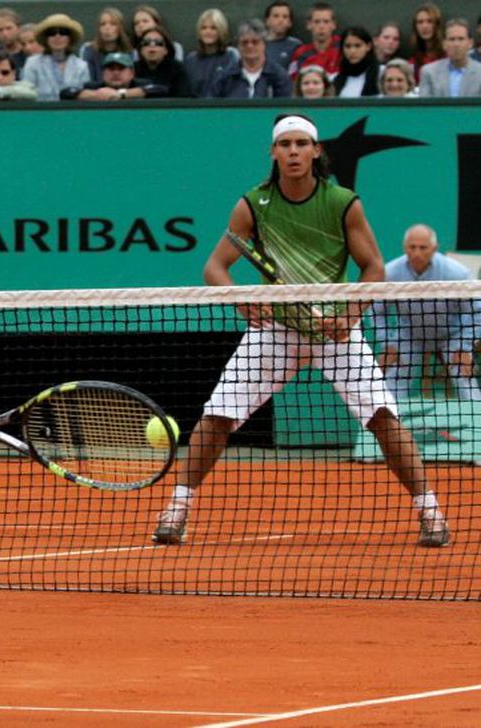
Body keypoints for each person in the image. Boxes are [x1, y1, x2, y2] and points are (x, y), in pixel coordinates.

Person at [150, 113, 451, 550]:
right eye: (285, 144)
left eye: (301, 144)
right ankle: (177, 509)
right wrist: (239, 298)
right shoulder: (252, 204)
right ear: (274, 153)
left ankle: (431, 513)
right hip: (276, 330)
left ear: (316, 151)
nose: (293, 151)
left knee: (385, 419)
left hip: (336, 336)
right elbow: (216, 266)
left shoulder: (343, 202)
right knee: (215, 418)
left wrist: (349, 315)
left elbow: (374, 268)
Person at [372, 224, 481, 402]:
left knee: (464, 373)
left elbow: (476, 310)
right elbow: (377, 312)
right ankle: (387, 425)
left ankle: (478, 426)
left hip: (453, 334)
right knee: (392, 376)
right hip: (409, 335)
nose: (417, 253)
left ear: (434, 248)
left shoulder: (457, 273)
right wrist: (387, 343)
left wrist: (465, 345)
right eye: (412, 247)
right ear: (404, 247)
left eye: (423, 247)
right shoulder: (390, 273)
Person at [206, 19, 291, 99]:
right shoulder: (225, 78)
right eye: (244, 42)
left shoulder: (279, 76)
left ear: (264, 44)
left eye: (255, 42)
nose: (249, 46)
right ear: (238, 46)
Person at [21, 13, 90, 101]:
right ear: (46, 38)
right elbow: (26, 95)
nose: (58, 36)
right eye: (52, 33)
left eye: (63, 32)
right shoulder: (32, 64)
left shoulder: (81, 66)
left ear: (70, 38)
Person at [419, 18, 481, 97]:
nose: (456, 44)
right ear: (444, 44)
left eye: (461, 39)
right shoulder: (429, 72)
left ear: (470, 43)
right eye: (452, 39)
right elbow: (425, 106)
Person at [184, 8, 239, 98]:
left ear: (221, 30)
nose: (208, 32)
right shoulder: (191, 60)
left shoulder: (231, 56)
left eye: (213, 28)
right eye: (204, 28)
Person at [79, 8, 136, 83]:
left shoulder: (130, 52)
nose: (107, 28)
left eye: (113, 24)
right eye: (103, 24)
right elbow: (88, 81)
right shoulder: (89, 50)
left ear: (120, 28)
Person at [60, 51, 146, 100]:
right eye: (111, 69)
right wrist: (97, 94)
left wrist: (120, 94)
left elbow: (156, 90)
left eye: (121, 68)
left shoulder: (142, 85)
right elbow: (66, 93)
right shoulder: (92, 87)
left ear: (132, 73)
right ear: (103, 73)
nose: (116, 73)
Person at [134, 25, 192, 97]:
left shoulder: (177, 69)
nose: (152, 45)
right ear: (141, 50)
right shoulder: (132, 69)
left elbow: (184, 96)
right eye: (146, 42)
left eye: (158, 42)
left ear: (166, 50)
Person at [289, 3, 341, 78]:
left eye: (326, 21)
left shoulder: (343, 47)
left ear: (334, 25)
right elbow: (293, 81)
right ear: (308, 25)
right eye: (316, 22)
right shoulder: (300, 54)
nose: (321, 26)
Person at [334, 26, 380, 97]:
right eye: (348, 46)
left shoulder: (382, 73)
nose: (352, 51)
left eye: (357, 46)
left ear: (368, 46)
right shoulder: (336, 79)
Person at [410, 2, 445, 81]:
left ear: (437, 24)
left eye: (429, 21)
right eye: (420, 22)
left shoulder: (447, 55)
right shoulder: (413, 60)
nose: (424, 26)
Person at [0, 7, 27, 74]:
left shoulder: (28, 53)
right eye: (0, 30)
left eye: (9, 28)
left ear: (18, 28)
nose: (5, 34)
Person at [264, 1, 301, 71]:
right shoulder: (257, 44)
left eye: (285, 17)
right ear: (267, 21)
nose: (280, 20)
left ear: (290, 23)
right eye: (276, 16)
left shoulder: (295, 46)